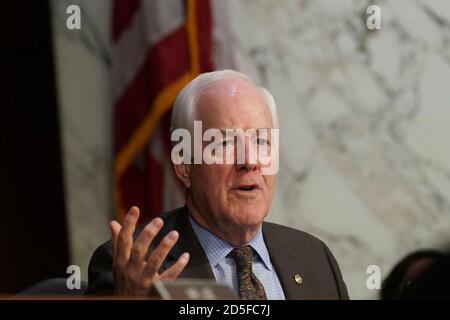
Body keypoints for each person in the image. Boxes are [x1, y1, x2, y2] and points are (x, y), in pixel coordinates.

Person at [86, 70, 349, 300]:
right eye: (224, 144)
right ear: (184, 165)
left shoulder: (314, 258)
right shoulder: (133, 267)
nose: (249, 161)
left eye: (261, 141)